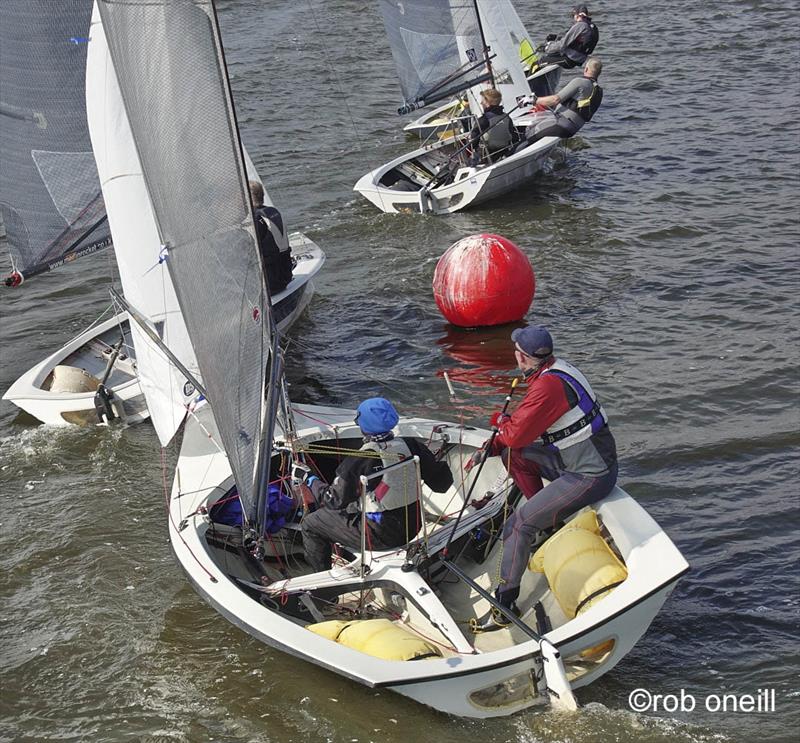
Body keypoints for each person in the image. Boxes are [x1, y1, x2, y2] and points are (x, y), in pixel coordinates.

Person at [466, 325, 618, 631]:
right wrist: (490, 448)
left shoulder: (546, 388)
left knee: (519, 524)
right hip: (575, 459)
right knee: (514, 456)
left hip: (589, 474)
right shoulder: (557, 371)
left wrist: (500, 423)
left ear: (522, 358)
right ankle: (545, 521)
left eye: (516, 351)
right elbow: (515, 442)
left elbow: (516, 432)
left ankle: (504, 603)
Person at [299, 397, 454, 572]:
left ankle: (322, 584)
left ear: (363, 426)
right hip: (413, 525)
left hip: (380, 535)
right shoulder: (413, 446)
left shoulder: (360, 460)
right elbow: (442, 485)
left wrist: (308, 478)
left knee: (311, 524)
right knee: (351, 506)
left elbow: (332, 500)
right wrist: (431, 462)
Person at [520, 57, 603, 147]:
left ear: (586, 69)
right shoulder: (598, 90)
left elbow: (555, 100)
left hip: (561, 124)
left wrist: (533, 100)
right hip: (573, 128)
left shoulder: (580, 82)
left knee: (528, 134)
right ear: (599, 73)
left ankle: (510, 157)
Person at [249, 180, 293, 295]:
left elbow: (246, 249)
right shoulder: (273, 212)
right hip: (285, 275)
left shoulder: (256, 219)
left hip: (270, 284)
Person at [467, 88, 519, 166]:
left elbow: (473, 142)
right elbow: (515, 137)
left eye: (483, 101)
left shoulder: (483, 120)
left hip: (486, 158)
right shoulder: (506, 117)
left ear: (488, 102)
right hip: (504, 153)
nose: (481, 103)